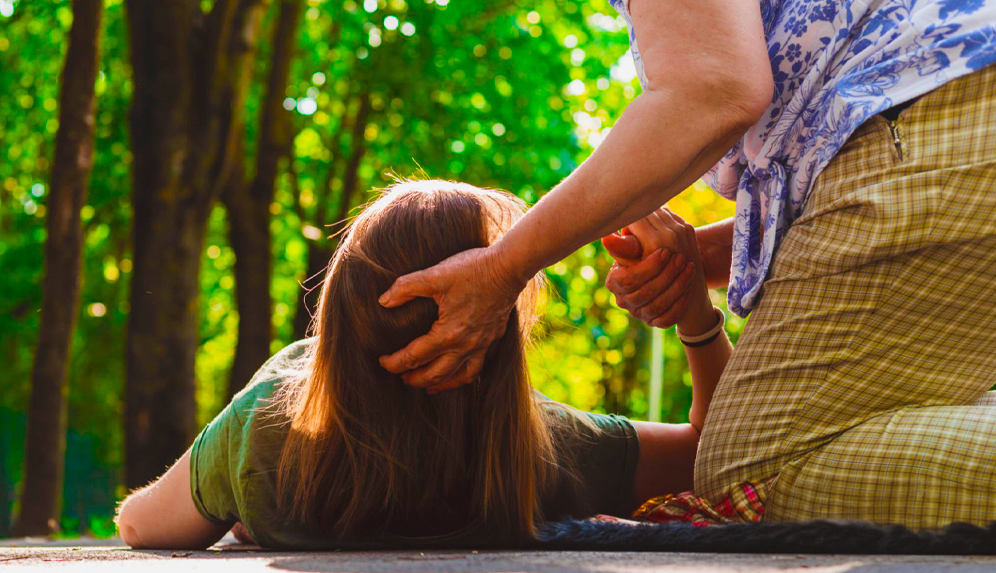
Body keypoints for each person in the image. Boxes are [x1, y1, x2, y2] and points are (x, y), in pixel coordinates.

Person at [377, 1, 996, 528]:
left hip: (937, 110)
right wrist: (695, 266)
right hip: (952, 101)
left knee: (754, 471)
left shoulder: (551, 447)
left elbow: (713, 88)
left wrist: (505, 266)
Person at [115, 181, 726, 549]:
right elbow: (718, 454)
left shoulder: (266, 431)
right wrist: (697, 316)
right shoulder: (543, 449)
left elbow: (140, 526)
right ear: (495, 332)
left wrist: (244, 487)